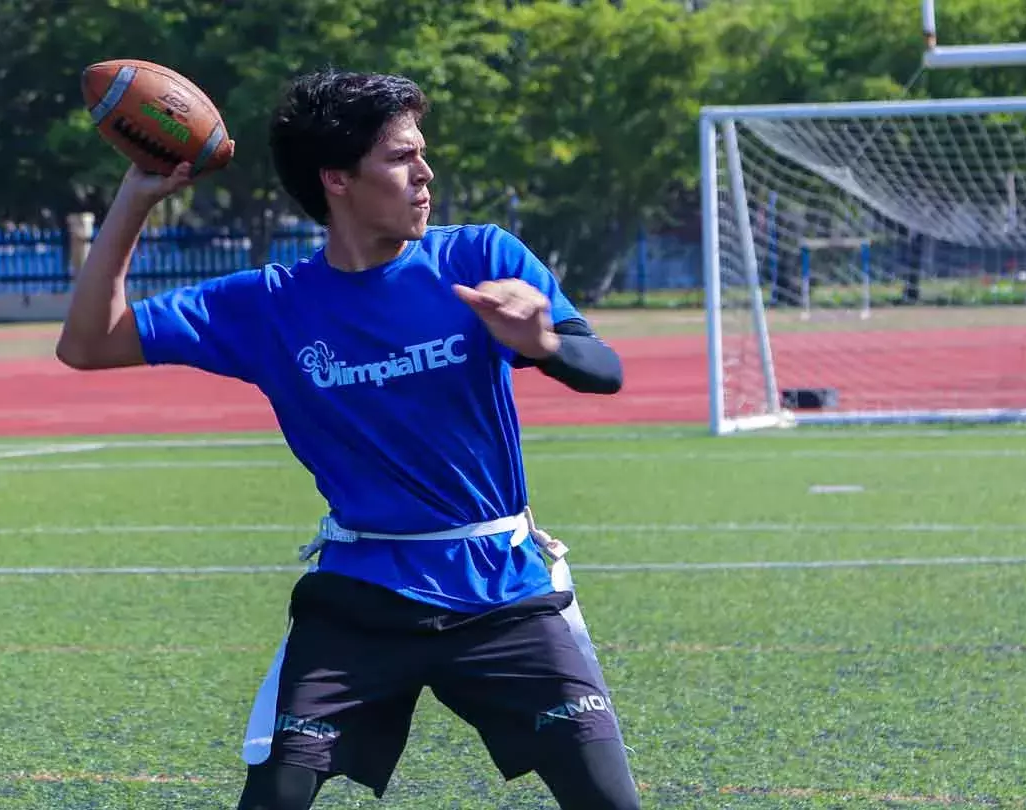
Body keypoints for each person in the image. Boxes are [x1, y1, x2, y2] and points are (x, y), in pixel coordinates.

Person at [55, 68, 638, 810]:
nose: (425, 174)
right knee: (274, 797)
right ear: (336, 177)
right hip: (360, 594)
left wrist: (545, 342)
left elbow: (604, 371)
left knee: (609, 803)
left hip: (503, 588)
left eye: (421, 153)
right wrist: (136, 198)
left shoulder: (480, 259)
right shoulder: (269, 306)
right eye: (400, 158)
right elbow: (88, 342)